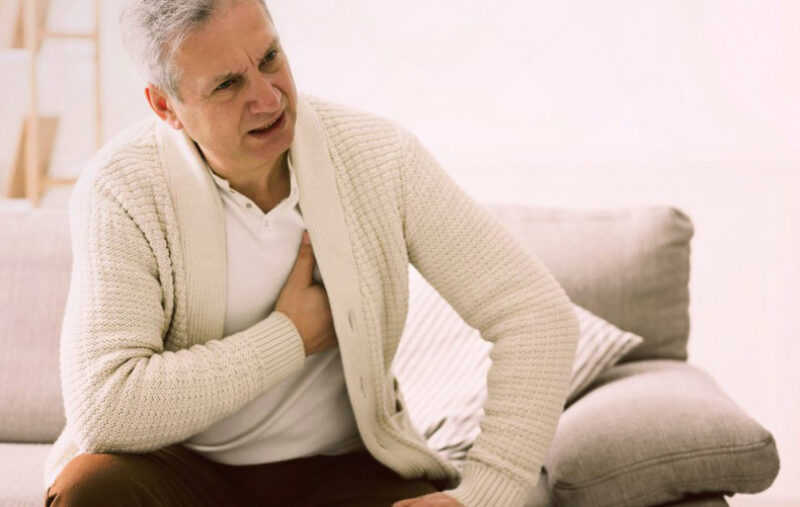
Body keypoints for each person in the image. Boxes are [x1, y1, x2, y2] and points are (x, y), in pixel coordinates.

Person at [42, 0, 579, 505]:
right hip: (180, 470)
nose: (268, 99)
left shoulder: (380, 157)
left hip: (342, 468)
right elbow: (105, 408)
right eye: (228, 84)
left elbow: (535, 315)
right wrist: (291, 336)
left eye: (269, 58)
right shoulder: (121, 187)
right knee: (90, 490)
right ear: (167, 106)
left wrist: (486, 490)